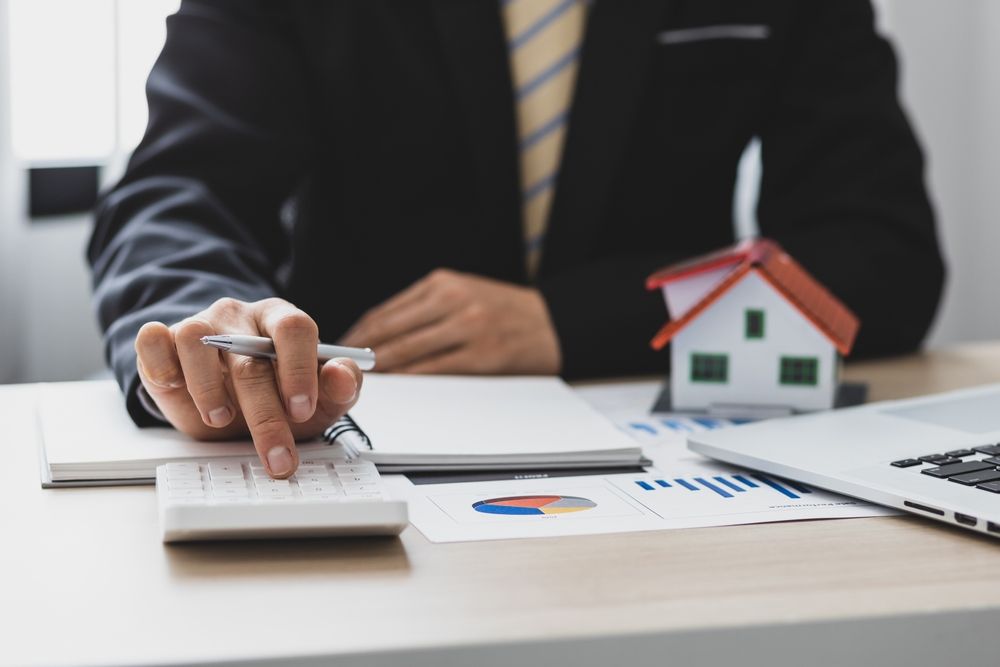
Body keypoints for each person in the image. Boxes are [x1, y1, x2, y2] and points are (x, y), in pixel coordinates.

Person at [89, 0, 945, 478]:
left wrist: (572, 319)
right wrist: (201, 331)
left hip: (671, 448)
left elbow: (880, 250)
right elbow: (178, 190)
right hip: (350, 439)